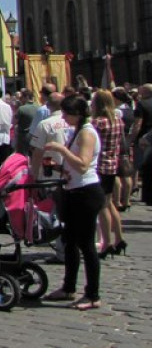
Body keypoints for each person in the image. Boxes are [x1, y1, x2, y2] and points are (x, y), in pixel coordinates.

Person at [42, 95, 105, 311]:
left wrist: (60, 150)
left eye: (67, 114)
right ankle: (68, 287)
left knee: (86, 245)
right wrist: (59, 168)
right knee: (69, 241)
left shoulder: (87, 133)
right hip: (73, 190)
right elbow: (73, 166)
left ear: (77, 114)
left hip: (87, 192)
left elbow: (83, 165)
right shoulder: (76, 131)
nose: (64, 117)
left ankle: (93, 294)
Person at [91, 90, 126, 258]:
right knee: (110, 203)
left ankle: (107, 243)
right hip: (113, 165)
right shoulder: (117, 120)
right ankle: (119, 238)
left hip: (100, 166)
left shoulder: (98, 122)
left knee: (102, 206)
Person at [14, 88, 40, 154]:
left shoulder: (21, 108)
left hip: (23, 136)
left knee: (22, 156)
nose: (20, 99)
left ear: (26, 97)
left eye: (21, 97)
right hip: (36, 136)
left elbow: (15, 122)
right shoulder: (39, 107)